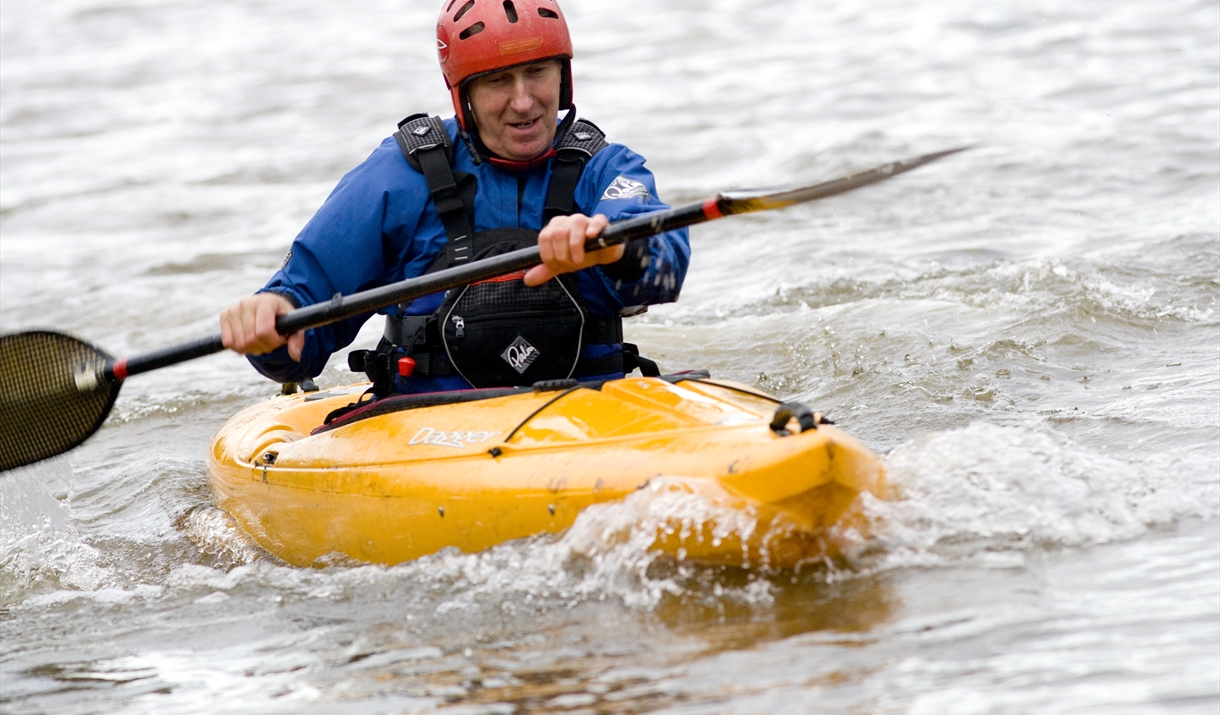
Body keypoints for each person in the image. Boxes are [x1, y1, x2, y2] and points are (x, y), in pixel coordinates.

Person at [220, 0, 689, 395]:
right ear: (463, 94)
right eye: (498, 81)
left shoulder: (604, 168)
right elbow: (301, 318)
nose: (523, 101)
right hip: (430, 434)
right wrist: (271, 322)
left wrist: (612, 247)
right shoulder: (399, 177)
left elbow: (665, 265)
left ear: (563, 77)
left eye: (536, 72)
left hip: (582, 418)